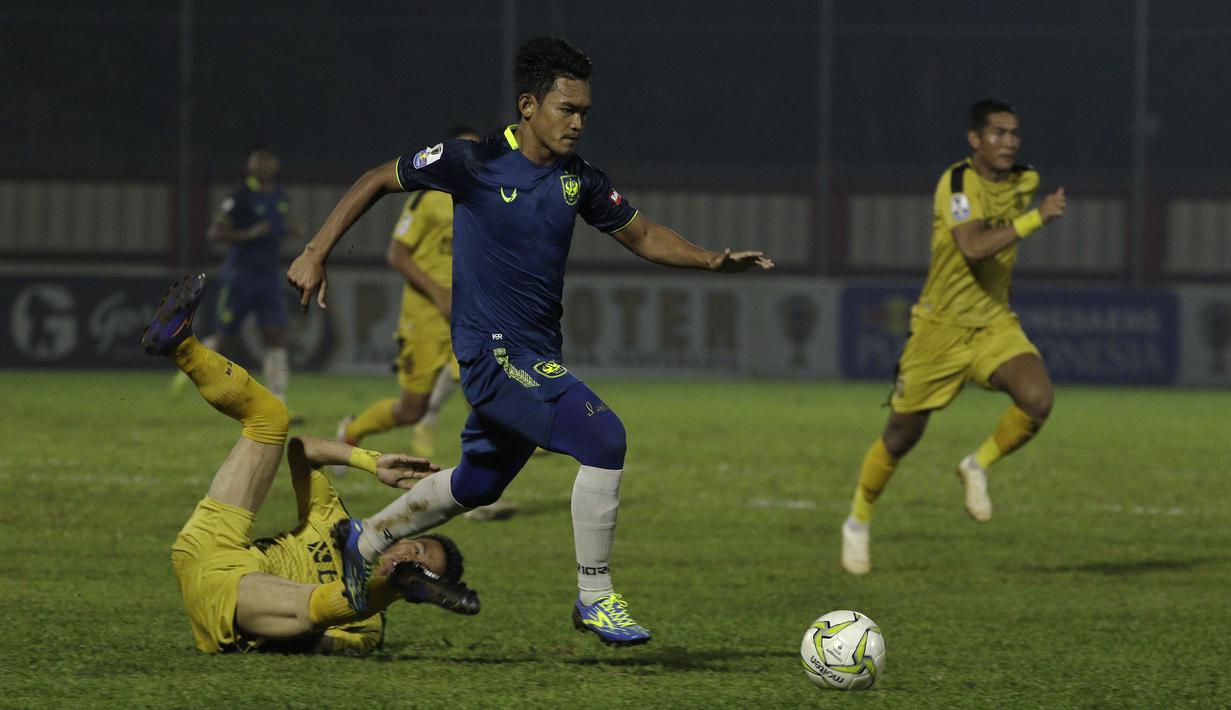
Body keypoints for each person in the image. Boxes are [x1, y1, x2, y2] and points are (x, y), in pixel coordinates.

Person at [287, 37, 773, 646]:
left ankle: (364, 540)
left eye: (585, 113)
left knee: (478, 484)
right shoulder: (475, 161)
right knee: (604, 435)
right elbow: (377, 178)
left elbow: (643, 233)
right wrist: (314, 252)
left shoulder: (581, 180)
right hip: (492, 355)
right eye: (567, 109)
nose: (577, 122)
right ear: (528, 105)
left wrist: (710, 261)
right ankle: (594, 596)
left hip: (537, 355)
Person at [141, 273, 480, 655]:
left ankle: (391, 587)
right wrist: (373, 462)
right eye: (415, 550)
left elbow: (309, 644)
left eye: (419, 566)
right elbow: (303, 450)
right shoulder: (333, 521)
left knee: (318, 605)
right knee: (271, 417)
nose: (406, 554)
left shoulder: (366, 627)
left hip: (238, 601)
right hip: (208, 548)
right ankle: (182, 346)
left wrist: (360, 601)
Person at [840, 99, 1067, 575]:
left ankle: (976, 465)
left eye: (1014, 134)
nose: (1009, 142)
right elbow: (972, 246)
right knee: (902, 435)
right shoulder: (957, 183)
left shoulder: (1025, 180)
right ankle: (858, 522)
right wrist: (1035, 219)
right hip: (938, 329)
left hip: (992, 324)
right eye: (998, 133)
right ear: (974, 138)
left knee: (1037, 398)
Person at [337, 125, 478, 461]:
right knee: (411, 409)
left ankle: (483, 486)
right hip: (424, 318)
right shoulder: (427, 197)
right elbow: (396, 254)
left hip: (466, 316)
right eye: (463, 149)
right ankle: (353, 430)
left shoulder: (482, 200)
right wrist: (440, 293)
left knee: (480, 391)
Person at [173, 143, 299, 404]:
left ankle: (278, 395)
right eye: (258, 162)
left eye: (267, 162)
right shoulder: (240, 196)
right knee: (225, 337)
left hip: (269, 278)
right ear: (250, 167)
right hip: (240, 276)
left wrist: (289, 231)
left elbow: (275, 228)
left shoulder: (280, 197)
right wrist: (248, 234)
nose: (263, 166)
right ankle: (189, 365)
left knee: (274, 334)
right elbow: (214, 232)